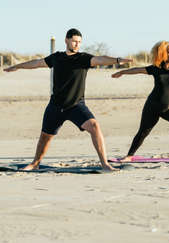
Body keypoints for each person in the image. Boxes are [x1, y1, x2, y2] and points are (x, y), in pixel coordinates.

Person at [3, 28, 132, 171]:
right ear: (66, 40)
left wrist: (118, 60)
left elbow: (101, 59)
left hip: (76, 105)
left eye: (79, 42)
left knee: (94, 127)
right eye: (74, 41)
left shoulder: (83, 58)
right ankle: (35, 164)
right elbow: (37, 63)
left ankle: (105, 164)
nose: (77, 45)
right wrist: (17, 66)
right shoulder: (57, 58)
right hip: (56, 106)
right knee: (45, 137)